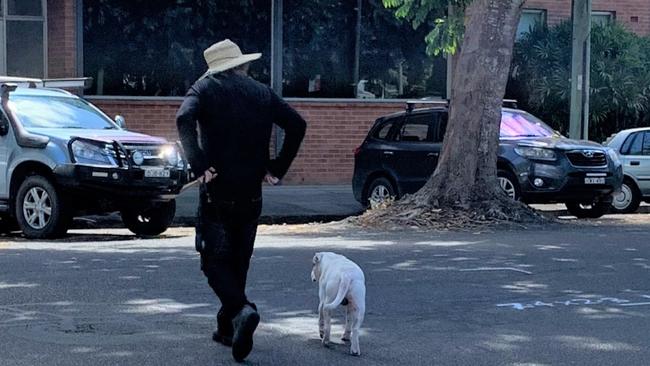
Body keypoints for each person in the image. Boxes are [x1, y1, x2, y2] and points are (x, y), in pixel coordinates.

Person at [176, 39, 306, 362]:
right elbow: (297, 125)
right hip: (252, 192)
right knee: (238, 261)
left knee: (212, 261)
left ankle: (240, 310)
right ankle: (227, 327)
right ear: (241, 65)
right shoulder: (261, 92)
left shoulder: (204, 89)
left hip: (218, 190)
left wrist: (199, 165)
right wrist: (276, 168)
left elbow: (183, 120)